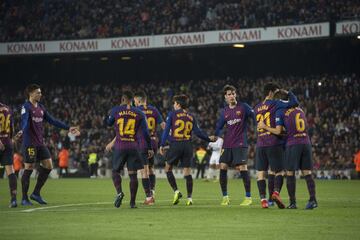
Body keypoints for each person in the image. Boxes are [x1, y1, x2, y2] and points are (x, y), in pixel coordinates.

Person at [20, 84, 80, 206]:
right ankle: (24, 198)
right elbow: (25, 120)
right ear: (31, 93)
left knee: (48, 165)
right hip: (29, 143)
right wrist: (22, 130)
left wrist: (68, 128)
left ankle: (36, 193)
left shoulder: (41, 107)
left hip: (40, 143)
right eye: (38, 92)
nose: (40, 94)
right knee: (29, 168)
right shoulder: (26, 106)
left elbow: (53, 120)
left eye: (40, 92)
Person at [258, 90, 317, 209]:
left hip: (293, 143)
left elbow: (279, 131)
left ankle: (293, 202)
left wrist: (265, 127)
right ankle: (313, 200)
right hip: (306, 142)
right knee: (307, 173)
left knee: (290, 173)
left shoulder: (281, 111)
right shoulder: (299, 109)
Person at [159, 94, 215, 206]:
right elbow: (198, 133)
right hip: (188, 145)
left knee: (168, 168)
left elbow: (166, 131)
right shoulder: (191, 117)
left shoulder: (172, 114)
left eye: (174, 103)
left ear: (178, 104)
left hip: (176, 144)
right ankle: (189, 198)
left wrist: (162, 144)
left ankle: (176, 191)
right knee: (187, 172)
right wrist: (209, 138)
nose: (173, 105)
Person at [105, 90, 154, 208]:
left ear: (122, 99)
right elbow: (146, 133)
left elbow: (108, 123)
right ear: (132, 100)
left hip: (120, 145)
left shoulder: (116, 110)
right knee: (133, 175)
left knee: (115, 171)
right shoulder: (139, 113)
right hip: (133, 146)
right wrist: (150, 148)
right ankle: (132, 203)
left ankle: (119, 192)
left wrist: (110, 115)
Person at [254, 83, 299, 209]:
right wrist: (288, 92)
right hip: (273, 142)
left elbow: (257, 125)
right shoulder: (276, 103)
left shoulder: (256, 108)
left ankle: (263, 200)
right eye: (276, 92)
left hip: (260, 143)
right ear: (270, 92)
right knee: (279, 171)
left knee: (261, 173)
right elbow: (295, 103)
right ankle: (276, 193)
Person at [215, 85, 255, 206]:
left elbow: (255, 118)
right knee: (222, 167)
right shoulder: (225, 111)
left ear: (235, 94)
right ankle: (225, 197)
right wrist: (215, 135)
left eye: (233, 93)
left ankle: (248, 197)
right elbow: (219, 127)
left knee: (242, 168)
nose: (231, 96)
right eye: (229, 94)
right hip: (227, 144)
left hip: (240, 143)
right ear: (225, 97)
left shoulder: (244, 107)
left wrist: (259, 128)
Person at [0, 102, 21, 208]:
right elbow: (12, 127)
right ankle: (13, 200)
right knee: (10, 171)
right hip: (7, 143)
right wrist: (11, 139)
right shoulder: (8, 108)